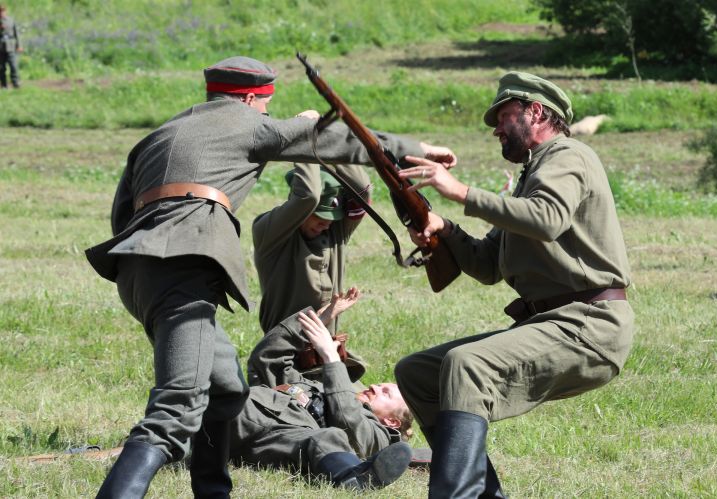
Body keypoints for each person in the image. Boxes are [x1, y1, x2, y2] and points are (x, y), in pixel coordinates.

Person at [84, 55, 456, 498]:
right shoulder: (248, 123)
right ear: (248, 98)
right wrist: (417, 148)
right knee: (176, 409)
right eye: (264, 105)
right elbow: (334, 141)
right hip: (184, 269)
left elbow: (121, 214)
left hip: (136, 270)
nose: (265, 113)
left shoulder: (159, 134)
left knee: (226, 390)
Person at [394, 71, 634, 497]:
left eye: (503, 116)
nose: (496, 129)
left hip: (590, 325)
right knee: (417, 374)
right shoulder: (531, 177)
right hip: (557, 323)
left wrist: (462, 192)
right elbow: (488, 265)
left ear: (536, 112)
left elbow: (547, 219)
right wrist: (443, 228)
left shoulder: (568, 155)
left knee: (468, 364)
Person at [227, 306, 415, 490]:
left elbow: (347, 418)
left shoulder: (378, 437)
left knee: (328, 438)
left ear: (392, 422)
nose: (374, 387)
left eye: (385, 393)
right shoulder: (320, 389)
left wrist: (331, 358)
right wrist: (311, 323)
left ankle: (352, 479)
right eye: (380, 385)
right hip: (240, 406)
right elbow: (268, 360)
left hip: (264, 432)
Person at [250, 161, 372, 382]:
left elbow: (363, 191)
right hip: (282, 359)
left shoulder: (335, 233)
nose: (327, 224)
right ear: (300, 212)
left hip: (327, 359)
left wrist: (328, 150)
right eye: (320, 216)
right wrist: (306, 151)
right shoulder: (270, 234)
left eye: (332, 218)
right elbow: (307, 197)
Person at [0, 4, 21, 89]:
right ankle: (4, 85)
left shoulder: (11, 20)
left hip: (10, 46)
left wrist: (19, 45)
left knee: (13, 65)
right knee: (1, 67)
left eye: (3, 11)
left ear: (6, 12)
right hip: (1, 47)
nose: (2, 13)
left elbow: (17, 34)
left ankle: (15, 83)